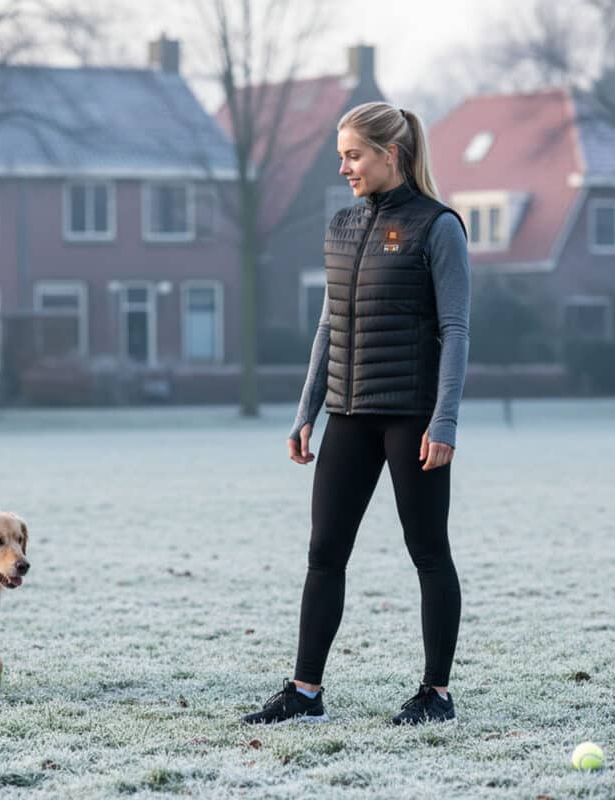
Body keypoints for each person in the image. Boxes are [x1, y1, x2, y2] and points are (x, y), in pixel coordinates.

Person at [243, 102, 470, 726]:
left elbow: (456, 330)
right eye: (340, 155)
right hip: (348, 413)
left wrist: (443, 423)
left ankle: (436, 694)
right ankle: (305, 692)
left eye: (353, 154)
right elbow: (328, 325)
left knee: (427, 550)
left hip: (412, 417)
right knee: (324, 553)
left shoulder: (438, 226)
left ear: (388, 154)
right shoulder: (342, 226)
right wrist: (304, 412)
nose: (344, 166)